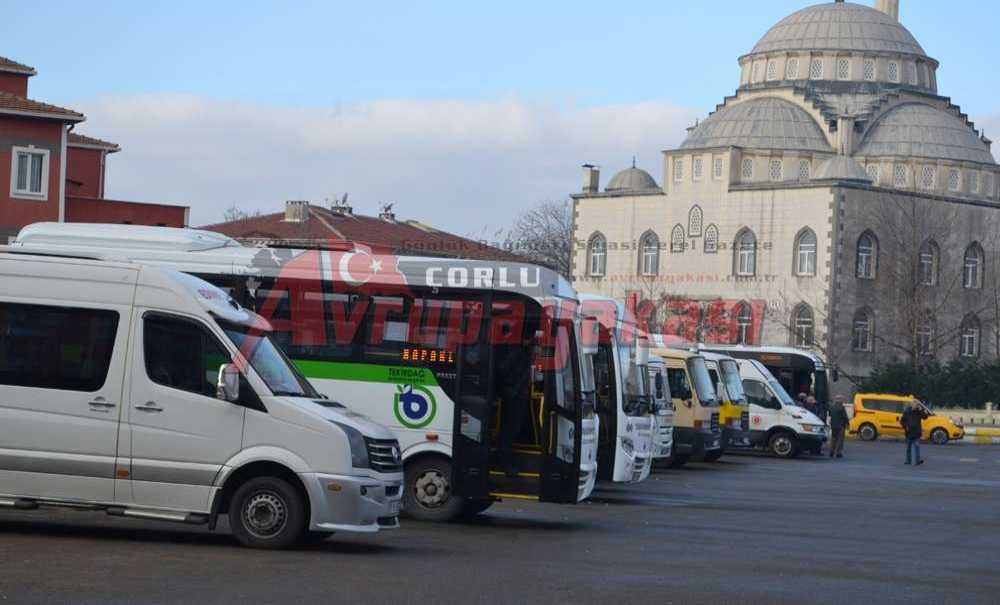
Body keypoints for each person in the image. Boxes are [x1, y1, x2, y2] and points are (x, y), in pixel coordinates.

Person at [900, 400, 929, 465]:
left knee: (917, 447)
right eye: (914, 405)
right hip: (909, 433)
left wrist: (921, 409)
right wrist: (905, 427)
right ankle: (908, 461)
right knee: (908, 448)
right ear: (911, 405)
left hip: (917, 433)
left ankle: (917, 461)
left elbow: (925, 417)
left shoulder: (919, 412)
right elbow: (902, 421)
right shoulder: (907, 412)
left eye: (916, 405)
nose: (915, 406)